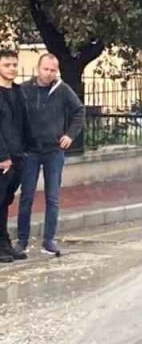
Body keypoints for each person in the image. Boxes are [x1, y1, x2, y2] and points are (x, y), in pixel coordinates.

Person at [17, 53, 82, 258]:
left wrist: (70, 135)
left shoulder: (63, 90)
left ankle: (49, 240)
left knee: (52, 197)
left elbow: (79, 111)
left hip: (54, 151)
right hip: (30, 152)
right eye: (46, 69)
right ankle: (22, 240)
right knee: (26, 196)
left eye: (53, 70)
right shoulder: (24, 90)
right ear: (38, 68)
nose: (49, 73)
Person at [0, 49, 30, 263]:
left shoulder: (19, 91)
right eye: (6, 65)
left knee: (5, 202)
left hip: (18, 156)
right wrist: (3, 156)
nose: (12, 68)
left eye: (14, 65)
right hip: (3, 158)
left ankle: (4, 244)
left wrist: (28, 148)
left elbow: (24, 124)